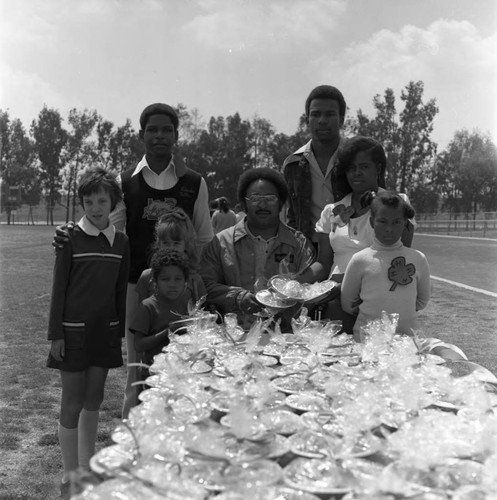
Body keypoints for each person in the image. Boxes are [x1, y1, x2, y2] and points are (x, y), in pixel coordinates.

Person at [53, 103, 213, 418]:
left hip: (182, 288)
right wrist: (70, 231)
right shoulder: (125, 181)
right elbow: (106, 230)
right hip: (136, 287)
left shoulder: (195, 182)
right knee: (137, 370)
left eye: (167, 129)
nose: (159, 136)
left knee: (186, 363)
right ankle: (136, 440)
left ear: (176, 135)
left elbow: (205, 238)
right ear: (141, 135)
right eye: (152, 129)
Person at [46, 167, 129, 499]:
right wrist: (56, 334)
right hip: (73, 333)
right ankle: (69, 475)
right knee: (72, 402)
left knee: (93, 400)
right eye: (89, 201)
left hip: (105, 332)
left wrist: (119, 333)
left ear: (113, 202)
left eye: (102, 200)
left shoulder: (121, 242)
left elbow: (120, 291)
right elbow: (58, 289)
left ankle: (87, 467)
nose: (96, 208)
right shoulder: (70, 238)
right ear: (81, 203)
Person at [297, 136, 415, 331]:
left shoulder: (398, 204)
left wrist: (351, 286)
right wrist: (295, 284)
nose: (356, 173)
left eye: (364, 166)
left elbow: (400, 258)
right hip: (336, 302)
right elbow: (324, 262)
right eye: (351, 168)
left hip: (379, 300)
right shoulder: (331, 210)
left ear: (377, 169)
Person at [200, 167, 315, 329]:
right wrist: (237, 297)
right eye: (255, 198)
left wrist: (287, 295)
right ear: (244, 203)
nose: (262, 204)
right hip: (236, 336)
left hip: (286, 336)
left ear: (281, 202)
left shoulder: (298, 243)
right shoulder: (221, 242)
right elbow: (204, 284)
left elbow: (311, 288)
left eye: (270, 198)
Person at [340, 191, 429, 339]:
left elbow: (421, 301)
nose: (389, 228)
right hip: (367, 342)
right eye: (382, 221)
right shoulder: (360, 260)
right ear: (371, 222)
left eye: (396, 222)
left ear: (405, 223)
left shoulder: (418, 259)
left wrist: (400, 308)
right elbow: (348, 304)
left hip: (406, 342)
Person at [283, 85, 346, 245]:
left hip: (351, 250)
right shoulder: (293, 164)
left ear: (342, 119)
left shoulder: (357, 160)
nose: (322, 120)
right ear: (307, 120)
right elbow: (292, 216)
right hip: (309, 252)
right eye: (316, 114)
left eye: (330, 114)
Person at [130, 249, 196, 391]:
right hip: (154, 377)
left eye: (178, 279)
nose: (172, 284)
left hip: (182, 375)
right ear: (155, 281)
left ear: (186, 281)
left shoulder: (187, 303)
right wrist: (168, 332)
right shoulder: (148, 306)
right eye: (165, 279)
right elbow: (139, 345)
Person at [135, 208, 205, 304]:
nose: (171, 248)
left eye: (176, 243)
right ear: (159, 245)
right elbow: (141, 313)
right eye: (166, 243)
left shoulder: (195, 280)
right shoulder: (146, 277)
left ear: (185, 245)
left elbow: (201, 313)